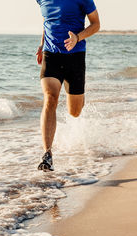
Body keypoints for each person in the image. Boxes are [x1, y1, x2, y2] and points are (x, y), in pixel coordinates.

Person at [36, 0, 100, 171]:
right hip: (51, 55)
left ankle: (73, 97)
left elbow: (96, 24)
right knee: (50, 97)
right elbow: (46, 20)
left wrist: (78, 37)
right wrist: (42, 44)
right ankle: (47, 154)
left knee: (75, 111)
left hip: (75, 55)